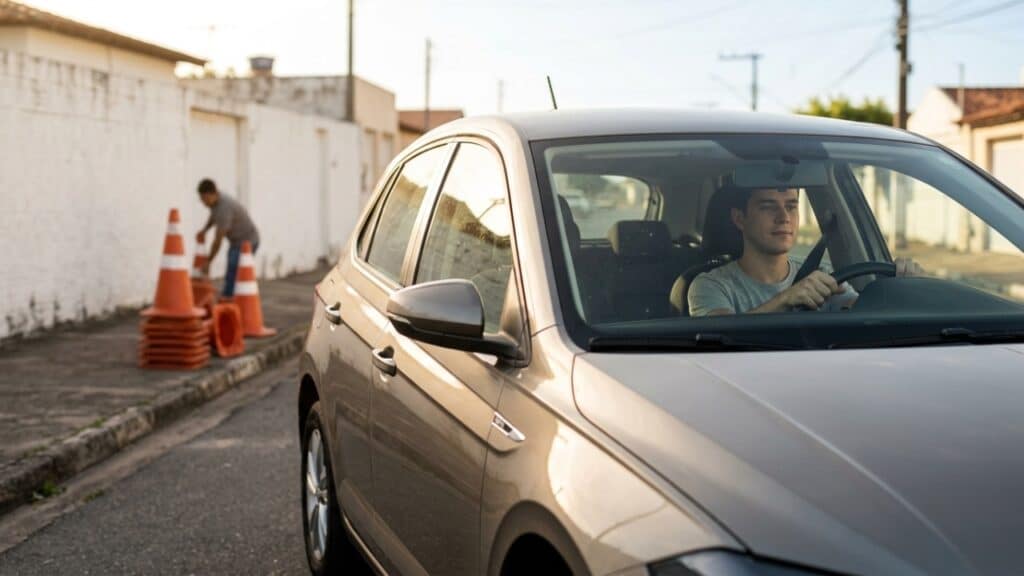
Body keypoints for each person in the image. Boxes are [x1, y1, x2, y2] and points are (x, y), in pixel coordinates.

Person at [688, 186, 919, 317]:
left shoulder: (823, 275)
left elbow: (861, 316)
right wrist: (786, 299)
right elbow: (721, 337)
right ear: (739, 218)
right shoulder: (710, 285)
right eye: (768, 206)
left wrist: (903, 292)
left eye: (791, 206)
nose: (784, 217)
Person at [194, 178, 261, 298]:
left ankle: (230, 299)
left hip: (248, 241)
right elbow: (213, 216)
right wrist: (205, 230)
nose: (203, 202)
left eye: (204, 199)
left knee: (234, 270)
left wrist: (209, 261)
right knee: (232, 270)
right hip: (236, 241)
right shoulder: (216, 202)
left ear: (212, 194)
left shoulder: (225, 208)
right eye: (201, 199)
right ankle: (231, 297)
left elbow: (218, 240)